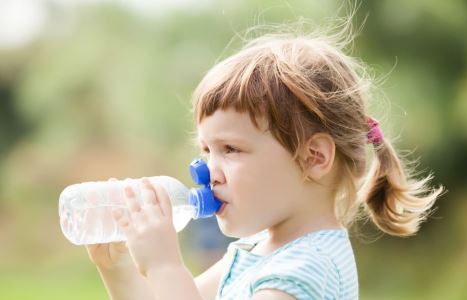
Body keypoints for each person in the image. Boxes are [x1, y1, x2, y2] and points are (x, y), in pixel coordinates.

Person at [85, 27, 445, 300]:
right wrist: (119, 269)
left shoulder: (306, 272)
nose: (209, 170)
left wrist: (165, 265)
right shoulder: (257, 249)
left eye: (231, 149)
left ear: (313, 158)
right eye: (207, 150)